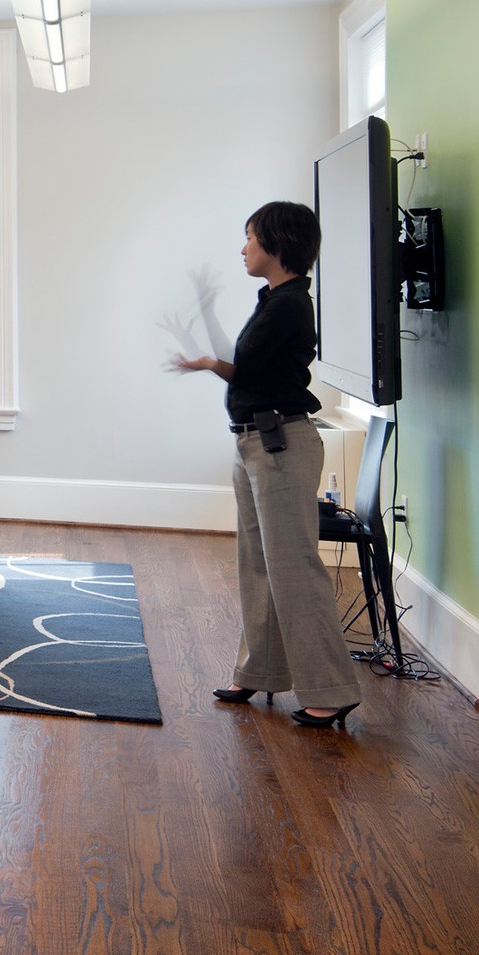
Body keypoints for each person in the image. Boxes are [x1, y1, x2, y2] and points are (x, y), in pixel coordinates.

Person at [172, 201, 362, 729]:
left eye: (250, 237)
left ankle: (331, 687)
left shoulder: (289, 305)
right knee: (257, 563)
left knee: (293, 567)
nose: (243, 247)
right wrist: (209, 356)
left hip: (280, 446)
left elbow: (245, 365)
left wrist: (210, 345)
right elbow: (245, 367)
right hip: (256, 443)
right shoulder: (276, 300)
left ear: (277, 243)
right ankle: (260, 670)